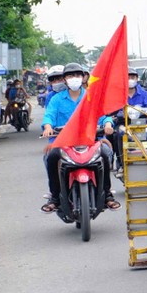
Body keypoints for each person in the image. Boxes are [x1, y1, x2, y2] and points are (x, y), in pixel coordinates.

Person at [40, 63, 118, 213]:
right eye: (70, 76)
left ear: (83, 78)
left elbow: (103, 116)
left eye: (77, 75)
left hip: (90, 141)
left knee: (106, 153)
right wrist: (48, 126)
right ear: (65, 79)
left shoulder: (92, 97)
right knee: (51, 157)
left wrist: (108, 123)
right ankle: (55, 198)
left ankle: (107, 194)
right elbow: (48, 116)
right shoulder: (56, 99)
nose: (74, 78)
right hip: (64, 142)